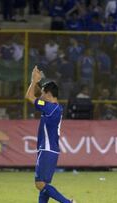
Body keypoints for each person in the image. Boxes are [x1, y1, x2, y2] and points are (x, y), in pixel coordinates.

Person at [25, 66, 76, 203]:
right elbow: (35, 95)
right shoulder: (55, 108)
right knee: (44, 186)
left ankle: (67, 202)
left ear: (48, 94)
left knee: (40, 184)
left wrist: (33, 81)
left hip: (47, 149)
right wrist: (36, 81)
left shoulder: (49, 108)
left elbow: (29, 96)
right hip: (50, 149)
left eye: (42, 93)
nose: (40, 96)